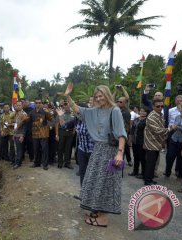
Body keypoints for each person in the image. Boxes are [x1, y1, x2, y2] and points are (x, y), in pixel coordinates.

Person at [63, 83, 127, 227]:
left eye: (101, 95)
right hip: (98, 151)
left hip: (111, 152)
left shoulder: (114, 110)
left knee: (107, 183)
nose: (99, 98)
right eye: (97, 96)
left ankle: (103, 218)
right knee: (96, 182)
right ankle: (97, 212)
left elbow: (121, 133)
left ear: (107, 95)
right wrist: (67, 96)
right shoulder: (94, 111)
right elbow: (77, 109)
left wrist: (120, 154)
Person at [143, 99, 169, 185]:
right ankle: (147, 181)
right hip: (151, 144)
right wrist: (170, 129)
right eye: (158, 106)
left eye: (162, 106)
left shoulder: (160, 115)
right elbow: (157, 130)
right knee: (150, 163)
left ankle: (150, 179)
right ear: (153, 106)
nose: (160, 108)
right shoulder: (152, 116)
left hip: (156, 143)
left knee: (153, 163)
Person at [27, 98, 53, 170]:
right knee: (36, 149)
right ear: (34, 104)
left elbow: (51, 119)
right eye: (37, 103)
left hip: (44, 133)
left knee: (45, 149)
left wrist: (47, 112)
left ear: (41, 103)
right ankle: (36, 163)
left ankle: (45, 164)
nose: (38, 104)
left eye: (39, 103)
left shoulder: (44, 111)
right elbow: (27, 120)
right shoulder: (32, 112)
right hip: (35, 133)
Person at [164, 102, 182, 178]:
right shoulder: (178, 117)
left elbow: (178, 127)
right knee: (170, 156)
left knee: (180, 158)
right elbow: (174, 126)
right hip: (174, 138)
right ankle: (167, 172)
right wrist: (173, 127)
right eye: (179, 108)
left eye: (181, 108)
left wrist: (178, 127)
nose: (179, 110)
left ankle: (179, 174)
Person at [128, 107, 150, 178]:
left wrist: (145, 143)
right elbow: (132, 130)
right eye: (141, 111)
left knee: (142, 158)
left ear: (147, 113)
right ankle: (135, 171)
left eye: (144, 111)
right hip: (135, 141)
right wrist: (130, 140)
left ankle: (143, 173)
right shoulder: (136, 119)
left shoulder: (147, 121)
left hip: (142, 142)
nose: (142, 112)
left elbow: (148, 133)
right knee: (135, 157)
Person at [56, 102, 76, 169]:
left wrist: (74, 130)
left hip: (70, 133)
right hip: (62, 132)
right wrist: (57, 134)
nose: (66, 106)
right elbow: (57, 124)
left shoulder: (73, 113)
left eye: (67, 104)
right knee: (60, 148)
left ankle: (67, 163)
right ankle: (60, 162)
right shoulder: (61, 113)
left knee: (68, 148)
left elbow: (75, 122)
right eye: (64, 105)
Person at [116, 97, 132, 166]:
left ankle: (120, 165)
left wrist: (125, 135)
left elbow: (127, 125)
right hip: (117, 133)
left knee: (122, 149)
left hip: (122, 133)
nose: (118, 103)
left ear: (125, 103)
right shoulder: (117, 110)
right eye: (118, 101)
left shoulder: (126, 112)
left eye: (121, 102)